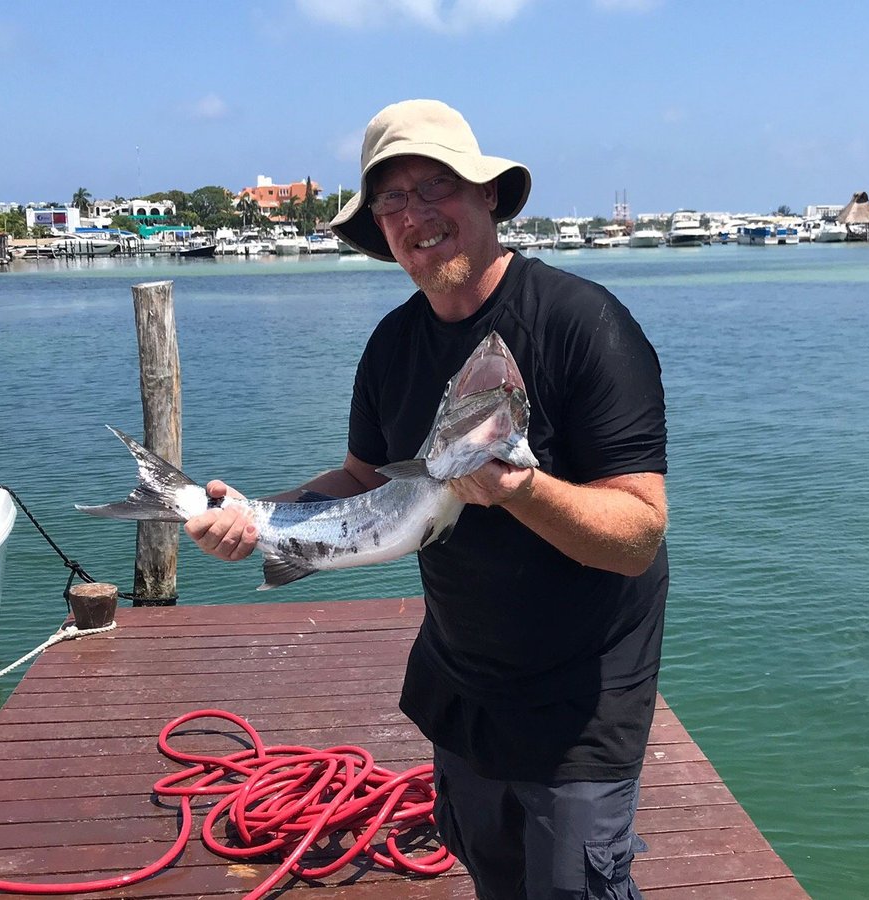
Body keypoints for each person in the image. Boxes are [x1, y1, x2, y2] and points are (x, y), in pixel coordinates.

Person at [185, 99, 669, 900]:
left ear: (486, 197)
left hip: (581, 699)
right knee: (489, 876)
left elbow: (638, 536)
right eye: (392, 200)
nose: (415, 214)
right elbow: (362, 482)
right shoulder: (392, 345)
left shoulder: (586, 327)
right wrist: (258, 517)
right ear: (380, 228)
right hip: (461, 682)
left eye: (434, 187)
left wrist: (522, 490)